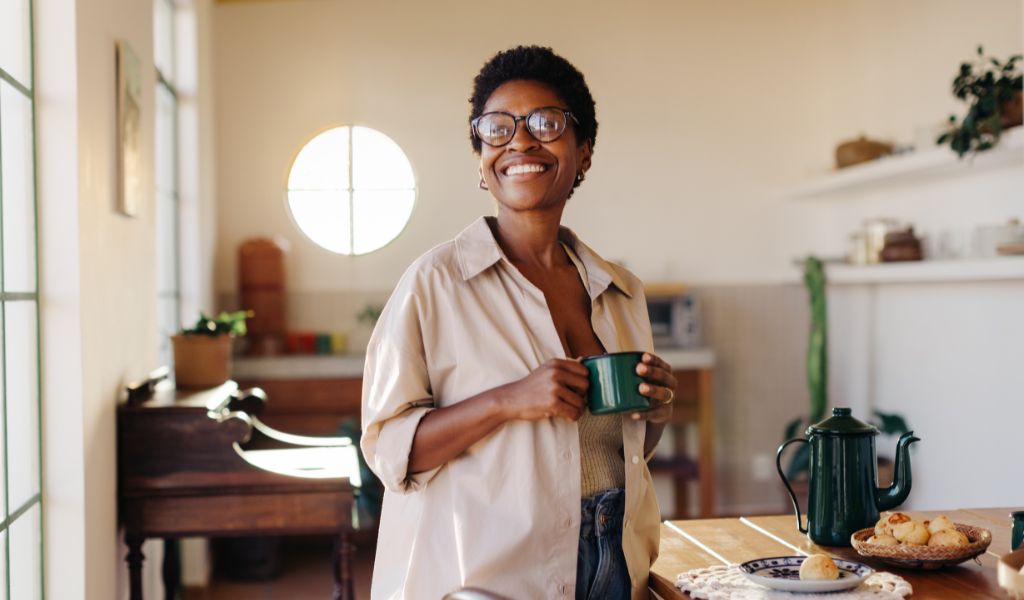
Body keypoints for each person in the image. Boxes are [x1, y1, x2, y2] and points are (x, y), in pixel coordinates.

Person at [361, 45, 677, 600]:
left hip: (615, 560)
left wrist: (657, 407)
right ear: (481, 158)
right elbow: (389, 450)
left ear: (583, 153)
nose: (521, 141)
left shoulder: (620, 291)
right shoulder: (435, 283)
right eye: (498, 127)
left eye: (546, 124)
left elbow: (617, 447)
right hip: (492, 578)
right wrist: (508, 400)